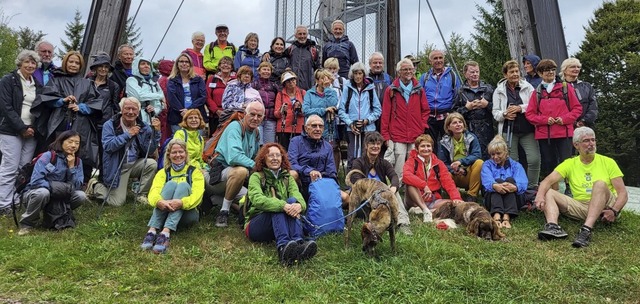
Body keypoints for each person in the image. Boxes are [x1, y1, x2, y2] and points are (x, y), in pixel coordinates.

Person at [535, 127, 628, 248]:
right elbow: (547, 181)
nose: (591, 144)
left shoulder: (608, 162)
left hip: (606, 206)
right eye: (586, 141)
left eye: (593, 140)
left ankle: (586, 230)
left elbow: (623, 193)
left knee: (599, 184)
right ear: (576, 145)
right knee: (548, 191)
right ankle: (553, 226)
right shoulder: (570, 163)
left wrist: (614, 211)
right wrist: (540, 196)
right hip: (582, 205)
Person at [31, 50, 102, 182]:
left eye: (77, 62)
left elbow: (96, 104)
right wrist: (61, 101)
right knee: (55, 151)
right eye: (71, 62)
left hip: (79, 125)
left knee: (75, 152)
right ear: (65, 63)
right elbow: (45, 98)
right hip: (58, 122)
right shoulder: (56, 80)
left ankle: (73, 184)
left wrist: (80, 107)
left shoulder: (87, 83)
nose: (73, 65)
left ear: (81, 65)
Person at [245, 143, 317, 266]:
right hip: (257, 224)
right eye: (271, 155)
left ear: (282, 158)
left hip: (280, 222)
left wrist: (299, 205)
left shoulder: (288, 177)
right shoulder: (256, 177)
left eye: (278, 155)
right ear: (264, 159)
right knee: (277, 206)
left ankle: (298, 244)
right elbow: (257, 199)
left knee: (292, 201)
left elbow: (298, 196)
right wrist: (282, 205)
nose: (275, 158)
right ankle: (283, 247)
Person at [85, 97, 161, 207]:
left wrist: (157, 133)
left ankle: (141, 194)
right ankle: (94, 185)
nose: (130, 112)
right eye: (127, 108)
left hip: (134, 164)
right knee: (116, 203)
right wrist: (128, 134)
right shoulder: (110, 125)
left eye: (134, 109)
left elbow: (149, 150)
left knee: (151, 164)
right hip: (117, 167)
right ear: (121, 109)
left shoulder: (143, 127)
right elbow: (108, 146)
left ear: (138, 111)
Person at [140, 139, 205, 254]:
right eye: (174, 152)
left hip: (188, 214)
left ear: (186, 154)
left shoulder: (195, 172)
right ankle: (152, 230)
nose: (178, 155)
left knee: (183, 185)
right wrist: (159, 202)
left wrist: (181, 202)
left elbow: (197, 195)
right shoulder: (163, 172)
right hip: (165, 210)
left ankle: (165, 232)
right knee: (170, 184)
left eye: (181, 152)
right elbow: (154, 191)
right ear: (169, 155)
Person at [18, 130, 85, 235]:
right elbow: (35, 181)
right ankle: (27, 224)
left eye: (77, 143)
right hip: (36, 194)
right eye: (70, 141)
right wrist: (56, 188)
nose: (73, 145)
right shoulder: (48, 156)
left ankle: (57, 216)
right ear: (61, 142)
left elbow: (76, 186)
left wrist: (71, 167)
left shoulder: (77, 161)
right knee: (43, 193)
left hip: (59, 196)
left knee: (81, 196)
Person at [0, 50, 43, 215]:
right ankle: (3, 204)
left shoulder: (37, 85)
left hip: (31, 132)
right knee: (9, 167)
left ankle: (15, 200)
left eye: (33, 63)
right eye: (27, 62)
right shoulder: (8, 80)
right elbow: (6, 107)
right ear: (20, 63)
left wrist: (33, 129)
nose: (30, 65)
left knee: (23, 168)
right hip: (11, 130)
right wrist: (21, 128)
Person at [347, 132, 413, 235]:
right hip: (363, 201)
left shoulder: (384, 163)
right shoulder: (358, 162)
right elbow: (356, 179)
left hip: (380, 199)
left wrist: (393, 188)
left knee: (395, 194)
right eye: (372, 143)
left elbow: (394, 176)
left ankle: (403, 223)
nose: (375, 146)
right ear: (366, 145)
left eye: (378, 144)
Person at [525, 59, 582, 176]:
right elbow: (530, 114)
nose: (550, 72)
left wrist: (564, 119)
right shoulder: (537, 93)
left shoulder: (566, 88)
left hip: (564, 133)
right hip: (545, 135)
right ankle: (552, 189)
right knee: (549, 163)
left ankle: (569, 187)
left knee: (567, 163)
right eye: (546, 70)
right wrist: (545, 120)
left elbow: (577, 108)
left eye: (552, 69)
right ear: (540, 73)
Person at [213, 101, 264, 228]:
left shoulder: (256, 132)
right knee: (241, 171)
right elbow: (234, 157)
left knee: (254, 196)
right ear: (244, 114)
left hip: (234, 179)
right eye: (252, 114)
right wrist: (256, 167)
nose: (255, 118)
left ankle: (215, 200)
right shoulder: (235, 127)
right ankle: (224, 212)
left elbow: (256, 157)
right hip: (217, 176)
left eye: (259, 116)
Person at [492, 60, 540, 189]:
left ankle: (532, 187)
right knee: (512, 161)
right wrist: (505, 114)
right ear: (505, 74)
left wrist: (520, 108)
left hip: (527, 128)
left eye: (517, 71)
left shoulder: (528, 87)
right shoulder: (499, 90)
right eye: (511, 72)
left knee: (534, 159)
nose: (515, 74)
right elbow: (495, 112)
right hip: (509, 130)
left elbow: (534, 105)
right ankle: (517, 186)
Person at [380, 58, 430, 182]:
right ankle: (396, 191)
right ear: (399, 72)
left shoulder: (419, 89)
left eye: (410, 69)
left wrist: (421, 126)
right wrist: (385, 136)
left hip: (415, 134)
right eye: (405, 69)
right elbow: (385, 114)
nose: (408, 72)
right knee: (399, 167)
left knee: (414, 165)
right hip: (397, 135)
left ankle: (413, 191)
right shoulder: (391, 90)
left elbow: (426, 110)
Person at [403, 134, 463, 219]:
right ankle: (424, 210)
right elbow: (406, 175)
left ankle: (425, 211)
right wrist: (424, 185)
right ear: (417, 149)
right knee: (410, 184)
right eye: (423, 146)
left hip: (433, 199)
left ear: (432, 148)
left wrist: (456, 197)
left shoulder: (438, 163)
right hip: (415, 199)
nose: (426, 149)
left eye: (428, 146)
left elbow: (448, 181)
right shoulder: (412, 161)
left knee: (453, 204)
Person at [288, 115, 344, 202]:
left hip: (321, 183)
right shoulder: (296, 141)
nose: (318, 129)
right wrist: (309, 171)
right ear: (306, 128)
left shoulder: (328, 146)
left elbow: (332, 171)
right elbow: (291, 164)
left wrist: (320, 178)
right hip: (301, 183)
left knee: (346, 198)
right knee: (292, 174)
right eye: (314, 126)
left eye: (320, 126)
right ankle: (295, 200)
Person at [338, 62, 381, 170]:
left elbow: (377, 110)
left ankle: (366, 182)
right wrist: (350, 123)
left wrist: (367, 120)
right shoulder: (348, 88)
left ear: (363, 74)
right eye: (355, 73)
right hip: (352, 128)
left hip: (368, 128)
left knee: (367, 155)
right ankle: (351, 183)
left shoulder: (370, 89)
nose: (357, 76)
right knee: (351, 156)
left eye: (360, 73)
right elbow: (341, 110)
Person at [481, 135, 528, 229]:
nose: (495, 157)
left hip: (514, 197)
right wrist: (495, 185)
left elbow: (523, 182)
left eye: (498, 153)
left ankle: (506, 216)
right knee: (497, 182)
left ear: (506, 153)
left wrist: (515, 187)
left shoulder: (516, 165)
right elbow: (487, 180)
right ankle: (497, 215)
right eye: (492, 154)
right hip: (492, 198)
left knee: (510, 180)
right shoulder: (487, 164)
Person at [88, 52, 121, 181]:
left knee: (104, 153)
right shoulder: (87, 82)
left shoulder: (113, 86)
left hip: (104, 122)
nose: (103, 69)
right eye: (100, 66)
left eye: (106, 67)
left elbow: (115, 105)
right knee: (87, 151)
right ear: (95, 68)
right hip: (88, 121)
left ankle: (102, 180)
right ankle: (85, 180)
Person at [437, 113, 484, 202]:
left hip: (468, 172)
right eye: (454, 123)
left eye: (460, 122)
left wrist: (461, 162)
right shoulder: (444, 142)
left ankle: (472, 195)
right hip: (454, 173)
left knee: (479, 163)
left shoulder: (471, 138)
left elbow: (477, 154)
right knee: (443, 172)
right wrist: (454, 170)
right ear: (448, 127)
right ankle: (453, 195)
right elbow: (442, 163)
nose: (458, 125)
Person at [419, 50, 461, 148]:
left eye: (440, 58)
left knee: (448, 146)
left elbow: (457, 95)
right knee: (430, 146)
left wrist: (453, 113)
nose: (438, 60)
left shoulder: (452, 75)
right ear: (430, 61)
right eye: (435, 58)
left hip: (446, 117)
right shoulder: (424, 77)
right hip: (429, 118)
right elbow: (419, 97)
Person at [453, 61, 494, 160]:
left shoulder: (488, 89)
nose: (475, 74)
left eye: (477, 72)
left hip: (487, 128)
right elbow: (454, 114)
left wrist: (487, 105)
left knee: (489, 156)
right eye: (472, 72)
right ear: (465, 74)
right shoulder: (460, 92)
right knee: (473, 156)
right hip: (469, 129)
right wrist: (467, 108)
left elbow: (498, 110)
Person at [166, 53, 207, 134]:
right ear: (177, 64)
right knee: (179, 143)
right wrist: (182, 111)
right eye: (181, 61)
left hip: (195, 116)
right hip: (177, 117)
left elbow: (203, 96)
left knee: (196, 144)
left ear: (190, 64)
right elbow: (172, 98)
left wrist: (189, 110)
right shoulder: (172, 80)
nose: (184, 63)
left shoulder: (198, 79)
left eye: (187, 61)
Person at [301, 69, 339, 144]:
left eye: (327, 78)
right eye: (322, 78)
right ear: (317, 80)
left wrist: (327, 89)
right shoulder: (309, 93)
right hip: (312, 130)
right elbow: (305, 110)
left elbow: (332, 105)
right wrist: (323, 110)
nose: (325, 80)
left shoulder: (332, 92)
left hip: (328, 130)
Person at [560, 57, 598, 128]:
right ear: (564, 70)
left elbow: (593, 107)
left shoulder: (587, 86)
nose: (576, 69)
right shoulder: (558, 87)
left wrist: (584, 121)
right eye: (572, 67)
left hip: (586, 126)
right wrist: (571, 122)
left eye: (578, 67)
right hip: (565, 127)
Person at [126, 56, 165, 125]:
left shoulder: (154, 83)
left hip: (151, 120)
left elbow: (159, 104)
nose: (146, 66)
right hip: (134, 117)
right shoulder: (132, 80)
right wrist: (159, 96)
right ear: (137, 66)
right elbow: (139, 96)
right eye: (143, 64)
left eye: (148, 64)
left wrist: (154, 110)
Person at [274, 70, 305, 150]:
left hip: (298, 127)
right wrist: (281, 110)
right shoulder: (280, 94)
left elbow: (307, 111)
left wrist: (300, 108)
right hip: (283, 128)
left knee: (298, 150)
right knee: (284, 151)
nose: (291, 82)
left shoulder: (302, 92)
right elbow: (276, 114)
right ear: (284, 83)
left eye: (293, 79)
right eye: (288, 81)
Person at [205, 56, 236, 135]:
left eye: (228, 64)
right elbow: (207, 97)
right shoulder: (212, 79)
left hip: (232, 115)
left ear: (232, 67)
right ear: (219, 66)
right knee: (214, 141)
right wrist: (216, 110)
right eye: (223, 63)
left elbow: (239, 96)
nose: (226, 65)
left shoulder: (236, 80)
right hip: (215, 116)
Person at [284, 25, 321, 90]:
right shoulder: (290, 49)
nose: (302, 36)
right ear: (295, 35)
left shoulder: (313, 50)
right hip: (293, 88)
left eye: (304, 34)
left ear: (307, 35)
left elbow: (318, 68)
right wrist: (267, 53)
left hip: (309, 88)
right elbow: (277, 54)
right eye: (300, 34)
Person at [253, 62, 280, 144]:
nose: (266, 71)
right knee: (258, 143)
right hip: (258, 117)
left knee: (269, 144)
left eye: (268, 70)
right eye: (264, 69)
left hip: (271, 119)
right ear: (259, 71)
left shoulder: (274, 85)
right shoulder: (254, 84)